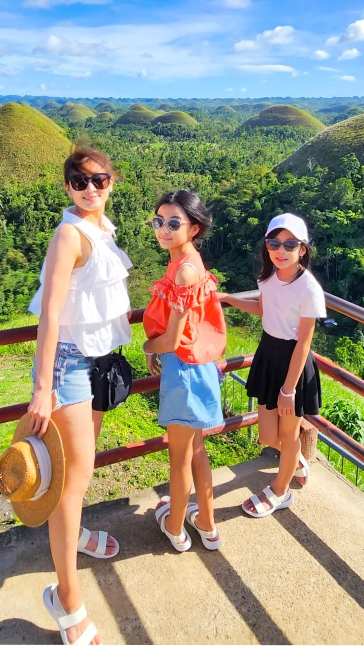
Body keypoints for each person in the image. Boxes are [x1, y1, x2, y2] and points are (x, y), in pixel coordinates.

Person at [25, 146, 132, 646]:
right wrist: (42, 388)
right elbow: (51, 315)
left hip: (98, 362)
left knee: (82, 474)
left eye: (99, 179)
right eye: (79, 180)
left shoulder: (103, 231)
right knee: (70, 482)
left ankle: (79, 536)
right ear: (67, 186)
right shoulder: (69, 234)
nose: (90, 188)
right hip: (69, 365)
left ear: (112, 182)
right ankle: (66, 598)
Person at [221, 213, 326, 518]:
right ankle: (294, 460)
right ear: (267, 246)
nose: (281, 250)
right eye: (274, 243)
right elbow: (262, 309)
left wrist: (289, 390)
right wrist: (227, 298)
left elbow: (304, 342)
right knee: (268, 436)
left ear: (302, 249)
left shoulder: (308, 288)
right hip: (269, 352)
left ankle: (281, 491)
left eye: (290, 244)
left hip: (293, 364)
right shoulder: (267, 277)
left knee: (289, 434)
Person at [142, 189, 227, 551]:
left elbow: (173, 339)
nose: (163, 229)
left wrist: (148, 346)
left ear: (193, 228)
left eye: (173, 223)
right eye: (158, 221)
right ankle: (207, 526)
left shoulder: (185, 271)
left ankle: (175, 527)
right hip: (200, 367)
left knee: (179, 457)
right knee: (195, 451)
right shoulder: (189, 261)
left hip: (185, 370)